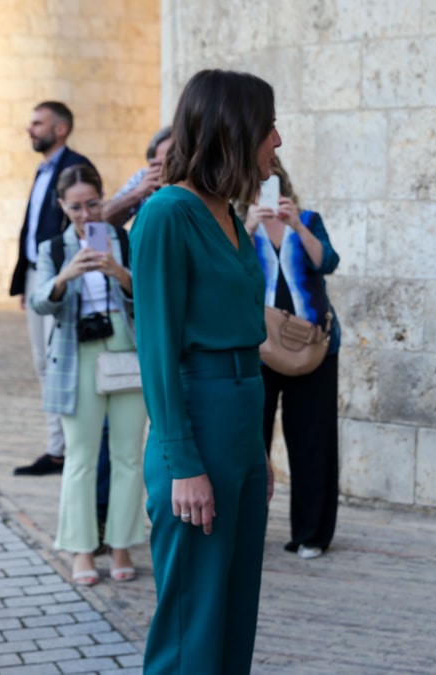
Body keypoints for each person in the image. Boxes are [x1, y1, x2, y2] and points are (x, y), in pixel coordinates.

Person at [132, 68, 280, 674]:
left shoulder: (227, 213)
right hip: (196, 422)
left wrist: (257, 448)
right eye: (270, 127)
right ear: (235, 130)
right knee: (192, 618)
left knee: (233, 608)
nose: (278, 141)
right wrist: (184, 462)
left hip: (241, 419)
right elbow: (157, 350)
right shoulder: (169, 213)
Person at [31, 164, 146, 586]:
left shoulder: (126, 240)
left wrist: (118, 271)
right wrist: (66, 276)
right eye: (76, 206)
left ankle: (121, 544)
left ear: (103, 199)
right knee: (80, 457)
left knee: (128, 455)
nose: (86, 214)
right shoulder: (54, 249)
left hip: (125, 348)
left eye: (93, 203)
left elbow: (147, 297)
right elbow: (40, 301)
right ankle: (81, 549)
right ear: (63, 205)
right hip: (77, 352)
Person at [243, 157, 341, 560]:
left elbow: (328, 262)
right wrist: (248, 226)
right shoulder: (237, 223)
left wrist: (298, 224)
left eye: (274, 183)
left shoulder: (309, 219)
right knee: (251, 441)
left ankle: (311, 534)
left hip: (312, 345)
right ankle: (248, 530)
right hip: (258, 347)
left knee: (312, 441)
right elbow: (230, 268)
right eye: (260, 183)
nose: (269, 190)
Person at [11, 101, 96, 476]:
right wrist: (21, 282)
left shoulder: (77, 167)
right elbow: (30, 227)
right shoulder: (42, 170)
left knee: (57, 361)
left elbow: (90, 222)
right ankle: (57, 447)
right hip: (36, 276)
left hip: (65, 279)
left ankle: (64, 448)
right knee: (42, 363)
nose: (30, 129)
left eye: (37, 123)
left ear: (60, 128)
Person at [101, 126, 172, 227]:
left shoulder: (193, 182)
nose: (166, 170)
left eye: (171, 163)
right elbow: (102, 219)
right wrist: (137, 193)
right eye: (160, 164)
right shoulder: (145, 177)